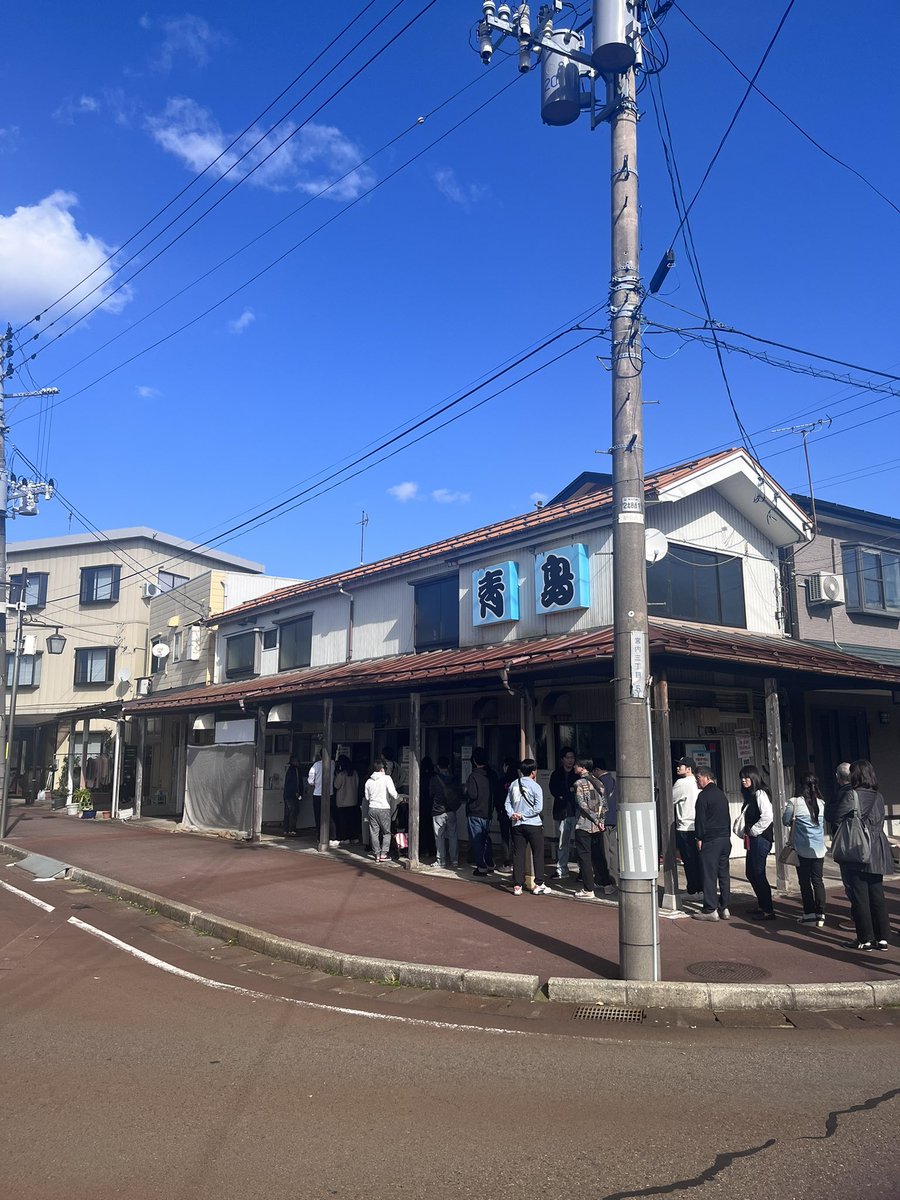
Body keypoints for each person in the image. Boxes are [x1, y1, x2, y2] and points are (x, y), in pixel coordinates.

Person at [832, 759, 894, 951]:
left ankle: (865, 938)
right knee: (877, 893)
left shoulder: (852, 795)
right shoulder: (879, 796)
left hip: (858, 846)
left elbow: (835, 816)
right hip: (878, 846)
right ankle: (882, 938)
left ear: (855, 775)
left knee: (860, 895)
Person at [783, 774, 826, 927]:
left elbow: (785, 820)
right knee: (818, 881)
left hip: (802, 849)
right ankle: (821, 914)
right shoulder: (821, 803)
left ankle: (809, 914)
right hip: (819, 849)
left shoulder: (794, 802)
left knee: (805, 882)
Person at [505, 758, 551, 896]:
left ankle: (517, 885)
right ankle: (539, 884)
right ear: (533, 772)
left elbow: (507, 803)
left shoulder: (514, 784)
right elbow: (538, 808)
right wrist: (524, 815)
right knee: (537, 853)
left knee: (518, 854)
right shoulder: (536, 786)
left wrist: (513, 814)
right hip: (533, 824)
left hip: (517, 825)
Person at [692, 765, 731, 921]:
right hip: (725, 839)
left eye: (698, 778)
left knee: (709, 874)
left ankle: (710, 909)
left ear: (706, 777)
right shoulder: (721, 795)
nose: (697, 782)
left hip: (711, 840)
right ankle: (724, 907)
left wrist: (699, 837)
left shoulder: (703, 796)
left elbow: (700, 820)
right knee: (724, 874)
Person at [737, 766, 775, 921]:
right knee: (751, 872)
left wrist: (754, 830)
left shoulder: (760, 793)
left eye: (746, 777)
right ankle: (762, 905)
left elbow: (768, 816)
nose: (743, 780)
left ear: (754, 778)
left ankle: (768, 909)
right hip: (753, 839)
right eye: (742, 778)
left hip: (761, 839)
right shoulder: (750, 795)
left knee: (758, 873)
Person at [571, 757, 612, 898]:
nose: (574, 767)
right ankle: (607, 884)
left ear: (582, 767)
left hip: (583, 824)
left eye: (576, 765)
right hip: (598, 826)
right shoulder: (599, 782)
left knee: (584, 857)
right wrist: (600, 820)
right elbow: (605, 805)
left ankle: (588, 888)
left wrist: (594, 818)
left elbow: (582, 805)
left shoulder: (579, 783)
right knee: (598, 855)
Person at [465, 748, 499, 876]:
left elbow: (472, 794)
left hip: (475, 811)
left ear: (474, 760)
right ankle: (490, 863)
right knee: (486, 839)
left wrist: (465, 791)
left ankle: (481, 866)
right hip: (488, 811)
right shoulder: (492, 774)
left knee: (477, 840)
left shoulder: (473, 776)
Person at [673, 756, 701, 896]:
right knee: (698, 860)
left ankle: (693, 890)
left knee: (689, 861)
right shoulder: (698, 782)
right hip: (698, 826)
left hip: (685, 827)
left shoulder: (682, 783)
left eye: (681, 765)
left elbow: (670, 799)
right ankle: (700, 889)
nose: (678, 767)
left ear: (689, 769)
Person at [549, 748, 577, 879]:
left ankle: (582, 871)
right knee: (562, 842)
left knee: (580, 842)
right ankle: (562, 869)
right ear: (562, 759)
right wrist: (564, 794)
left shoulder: (577, 774)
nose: (570, 760)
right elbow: (553, 790)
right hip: (561, 812)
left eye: (572, 757)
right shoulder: (556, 774)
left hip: (576, 812)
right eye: (568, 757)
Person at [430, 756, 461, 869]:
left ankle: (441, 860)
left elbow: (431, 794)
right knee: (453, 835)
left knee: (439, 836)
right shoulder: (454, 779)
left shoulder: (434, 779)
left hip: (438, 810)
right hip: (451, 810)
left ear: (438, 766)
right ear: (448, 766)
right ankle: (454, 860)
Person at [365, 758, 398, 863]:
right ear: (382, 769)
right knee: (386, 832)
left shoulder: (369, 781)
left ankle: (377, 854)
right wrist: (399, 797)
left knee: (374, 832)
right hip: (384, 808)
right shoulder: (387, 778)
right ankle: (384, 854)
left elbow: (367, 797)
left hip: (372, 808)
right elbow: (393, 794)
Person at [594, 759, 619, 886]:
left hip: (604, 820)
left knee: (605, 850)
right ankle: (615, 877)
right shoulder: (613, 780)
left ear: (597, 770)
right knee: (613, 850)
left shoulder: (600, 782)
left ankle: (607, 878)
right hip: (614, 818)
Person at [332, 755, 359, 844]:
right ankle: (354, 837)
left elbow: (336, 785)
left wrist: (336, 775)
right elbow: (357, 784)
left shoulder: (341, 774)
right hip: (353, 800)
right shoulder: (355, 773)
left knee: (343, 821)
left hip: (343, 801)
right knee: (352, 820)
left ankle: (345, 838)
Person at [419, 756, 437, 859]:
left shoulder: (419, 776)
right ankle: (432, 850)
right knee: (432, 829)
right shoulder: (434, 776)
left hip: (421, 805)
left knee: (422, 828)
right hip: (432, 805)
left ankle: (422, 849)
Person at [282, 755, 301, 837]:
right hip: (292, 795)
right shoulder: (295, 770)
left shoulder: (289, 770)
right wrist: (297, 793)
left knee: (287, 813)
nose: (299, 762)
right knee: (293, 812)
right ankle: (292, 830)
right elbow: (295, 783)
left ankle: (285, 829)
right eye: (297, 761)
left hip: (287, 794)